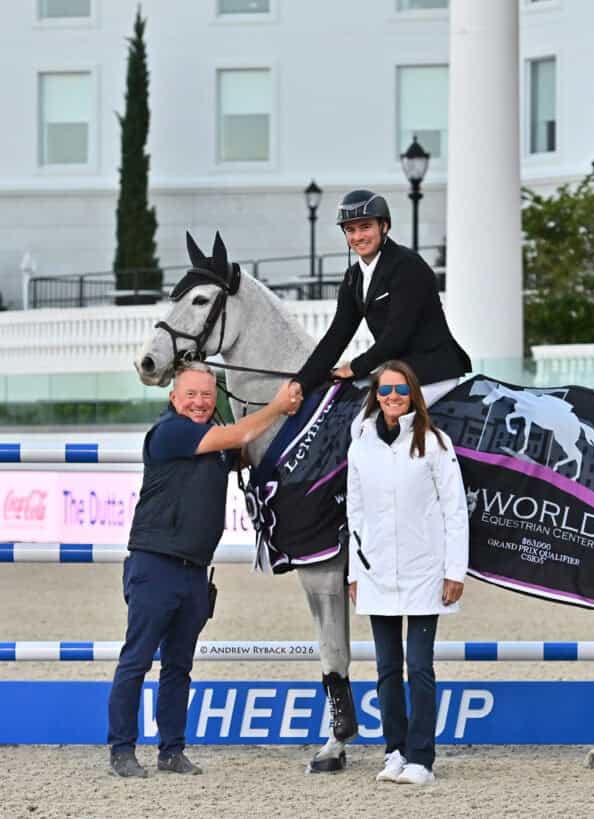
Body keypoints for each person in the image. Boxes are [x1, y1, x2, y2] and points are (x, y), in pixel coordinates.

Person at [107, 362, 299, 778]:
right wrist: (280, 406)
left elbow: (244, 448)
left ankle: (171, 751)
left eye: (207, 395)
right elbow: (238, 436)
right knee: (136, 660)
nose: (199, 402)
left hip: (194, 571)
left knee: (179, 667)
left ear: (217, 399)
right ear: (174, 398)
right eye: (191, 394)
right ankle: (121, 750)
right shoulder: (171, 432)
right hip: (154, 563)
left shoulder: (212, 440)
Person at [346, 360, 469, 786]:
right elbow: (355, 511)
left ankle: (421, 759)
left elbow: (455, 509)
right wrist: (353, 573)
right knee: (385, 670)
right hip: (375, 571)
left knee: (419, 667)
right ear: (374, 395)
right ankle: (394, 751)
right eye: (384, 390)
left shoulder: (435, 442)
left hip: (425, 572)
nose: (392, 396)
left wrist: (455, 570)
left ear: (412, 392)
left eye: (400, 389)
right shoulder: (360, 445)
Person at [290, 189, 471, 408]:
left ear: (384, 226)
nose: (357, 237)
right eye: (350, 230)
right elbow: (336, 336)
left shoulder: (407, 265)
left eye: (365, 227)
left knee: (370, 419)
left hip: (433, 371)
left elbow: (397, 336)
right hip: (399, 371)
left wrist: (355, 367)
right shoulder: (353, 277)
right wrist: (302, 381)